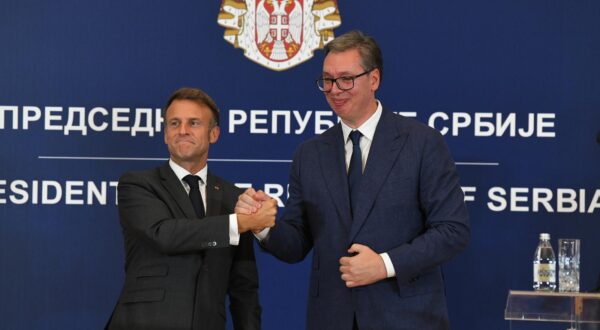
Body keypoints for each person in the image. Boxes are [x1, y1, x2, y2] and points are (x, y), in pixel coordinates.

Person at [237, 30, 470, 329]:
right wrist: (263, 226)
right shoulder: (309, 154)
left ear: (374, 79)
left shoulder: (422, 143)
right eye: (328, 80)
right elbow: (296, 243)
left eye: (346, 79)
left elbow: (453, 230)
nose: (335, 89)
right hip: (332, 318)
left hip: (406, 317)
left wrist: (384, 264)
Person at [106, 87, 276, 330]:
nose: (182, 131)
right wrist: (239, 223)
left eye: (193, 123)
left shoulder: (233, 198)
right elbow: (164, 235)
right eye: (174, 123)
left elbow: (244, 288)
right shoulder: (137, 184)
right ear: (165, 134)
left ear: (213, 133)